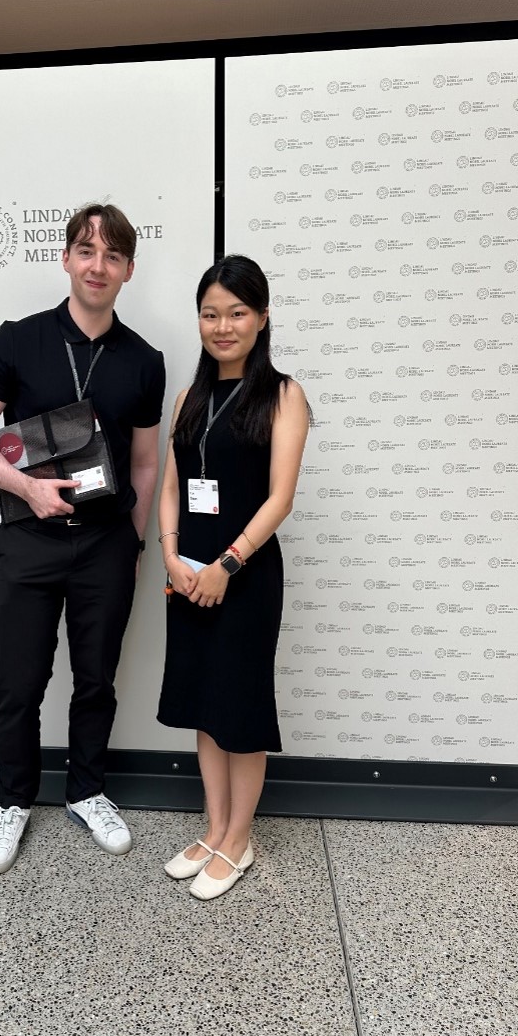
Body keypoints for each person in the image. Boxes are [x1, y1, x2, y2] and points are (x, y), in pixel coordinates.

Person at [0, 203, 165, 874]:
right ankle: (13, 801)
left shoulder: (144, 361)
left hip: (105, 545)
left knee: (96, 680)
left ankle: (86, 790)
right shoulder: (18, 340)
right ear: (66, 258)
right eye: (86, 250)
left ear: (128, 268)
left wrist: (132, 543)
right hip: (29, 542)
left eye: (113, 255)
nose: (98, 265)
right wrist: (27, 488)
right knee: (19, 683)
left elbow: (145, 463)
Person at [157, 255, 308, 901]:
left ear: (262, 318)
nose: (223, 326)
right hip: (186, 573)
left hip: (243, 577)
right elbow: (171, 487)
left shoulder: (283, 395)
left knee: (240, 706)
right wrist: (170, 554)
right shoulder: (190, 397)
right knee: (202, 702)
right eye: (211, 313)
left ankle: (239, 838)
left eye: (237, 313)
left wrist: (226, 564)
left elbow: (280, 499)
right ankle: (215, 826)